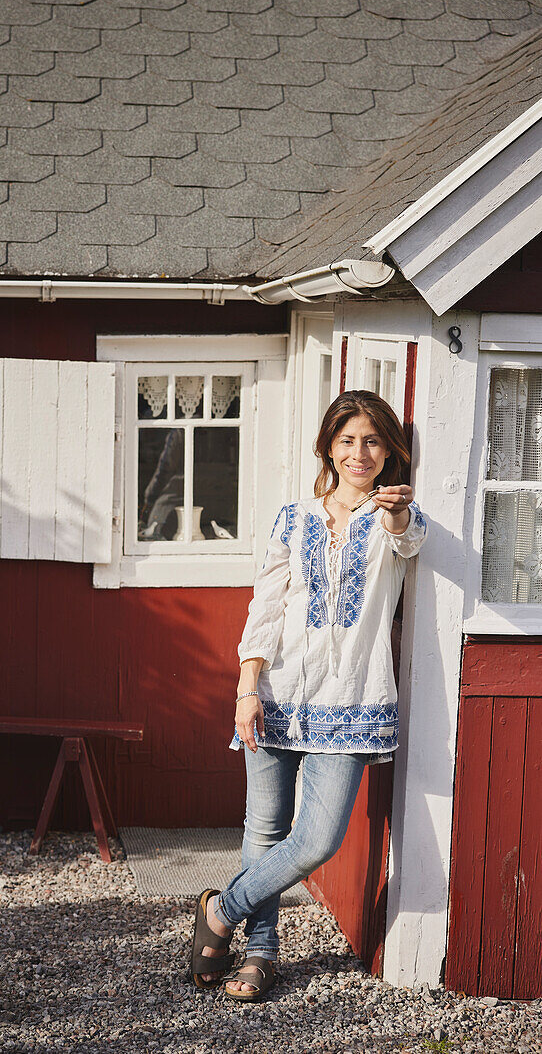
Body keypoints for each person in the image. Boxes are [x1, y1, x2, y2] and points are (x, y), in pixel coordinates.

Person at [189, 389, 428, 1002]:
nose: (360, 453)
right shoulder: (292, 520)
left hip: (351, 703)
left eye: (373, 441)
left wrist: (398, 510)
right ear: (328, 446)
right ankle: (261, 954)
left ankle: (221, 910)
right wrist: (246, 689)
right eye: (348, 440)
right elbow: (264, 609)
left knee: (318, 838)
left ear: (389, 452)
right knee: (264, 829)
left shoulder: (396, 518)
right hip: (274, 693)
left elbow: (407, 540)